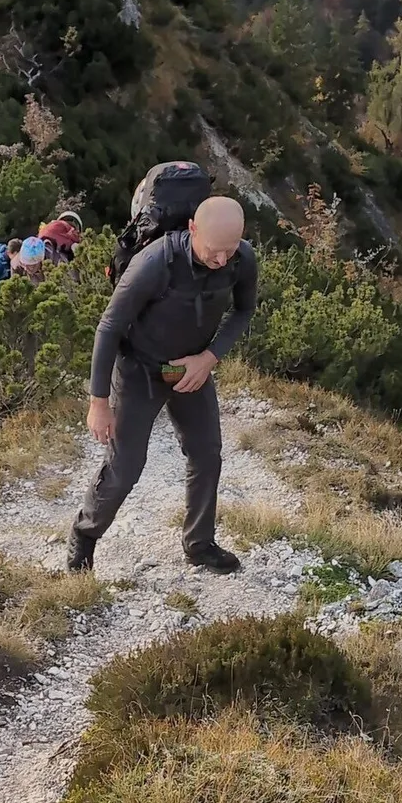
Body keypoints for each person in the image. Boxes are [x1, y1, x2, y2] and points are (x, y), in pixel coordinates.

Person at [68, 192, 255, 576]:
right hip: (140, 370)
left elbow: (244, 309)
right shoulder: (155, 263)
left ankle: (199, 543)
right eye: (214, 251)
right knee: (126, 466)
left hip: (189, 371)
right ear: (192, 229)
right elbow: (109, 327)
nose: (222, 260)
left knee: (207, 454)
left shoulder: (242, 259)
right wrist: (98, 401)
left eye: (230, 250)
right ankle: (84, 536)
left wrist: (209, 358)